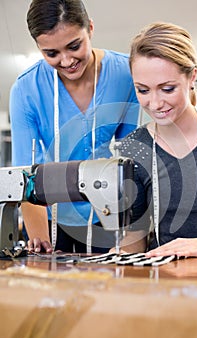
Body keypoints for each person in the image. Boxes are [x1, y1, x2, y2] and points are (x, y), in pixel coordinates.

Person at [9, 0, 139, 254]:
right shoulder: (26, 90)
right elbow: (24, 173)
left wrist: (131, 234)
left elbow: (129, 157)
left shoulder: (126, 73)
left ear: (90, 28)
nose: (67, 61)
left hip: (108, 209)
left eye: (74, 46)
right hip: (46, 216)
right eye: (52, 53)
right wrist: (40, 240)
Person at [117, 21, 197, 258]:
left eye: (167, 88)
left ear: (192, 76)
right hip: (166, 282)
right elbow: (135, 237)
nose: (154, 103)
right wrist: (118, 253)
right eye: (143, 90)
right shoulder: (135, 147)